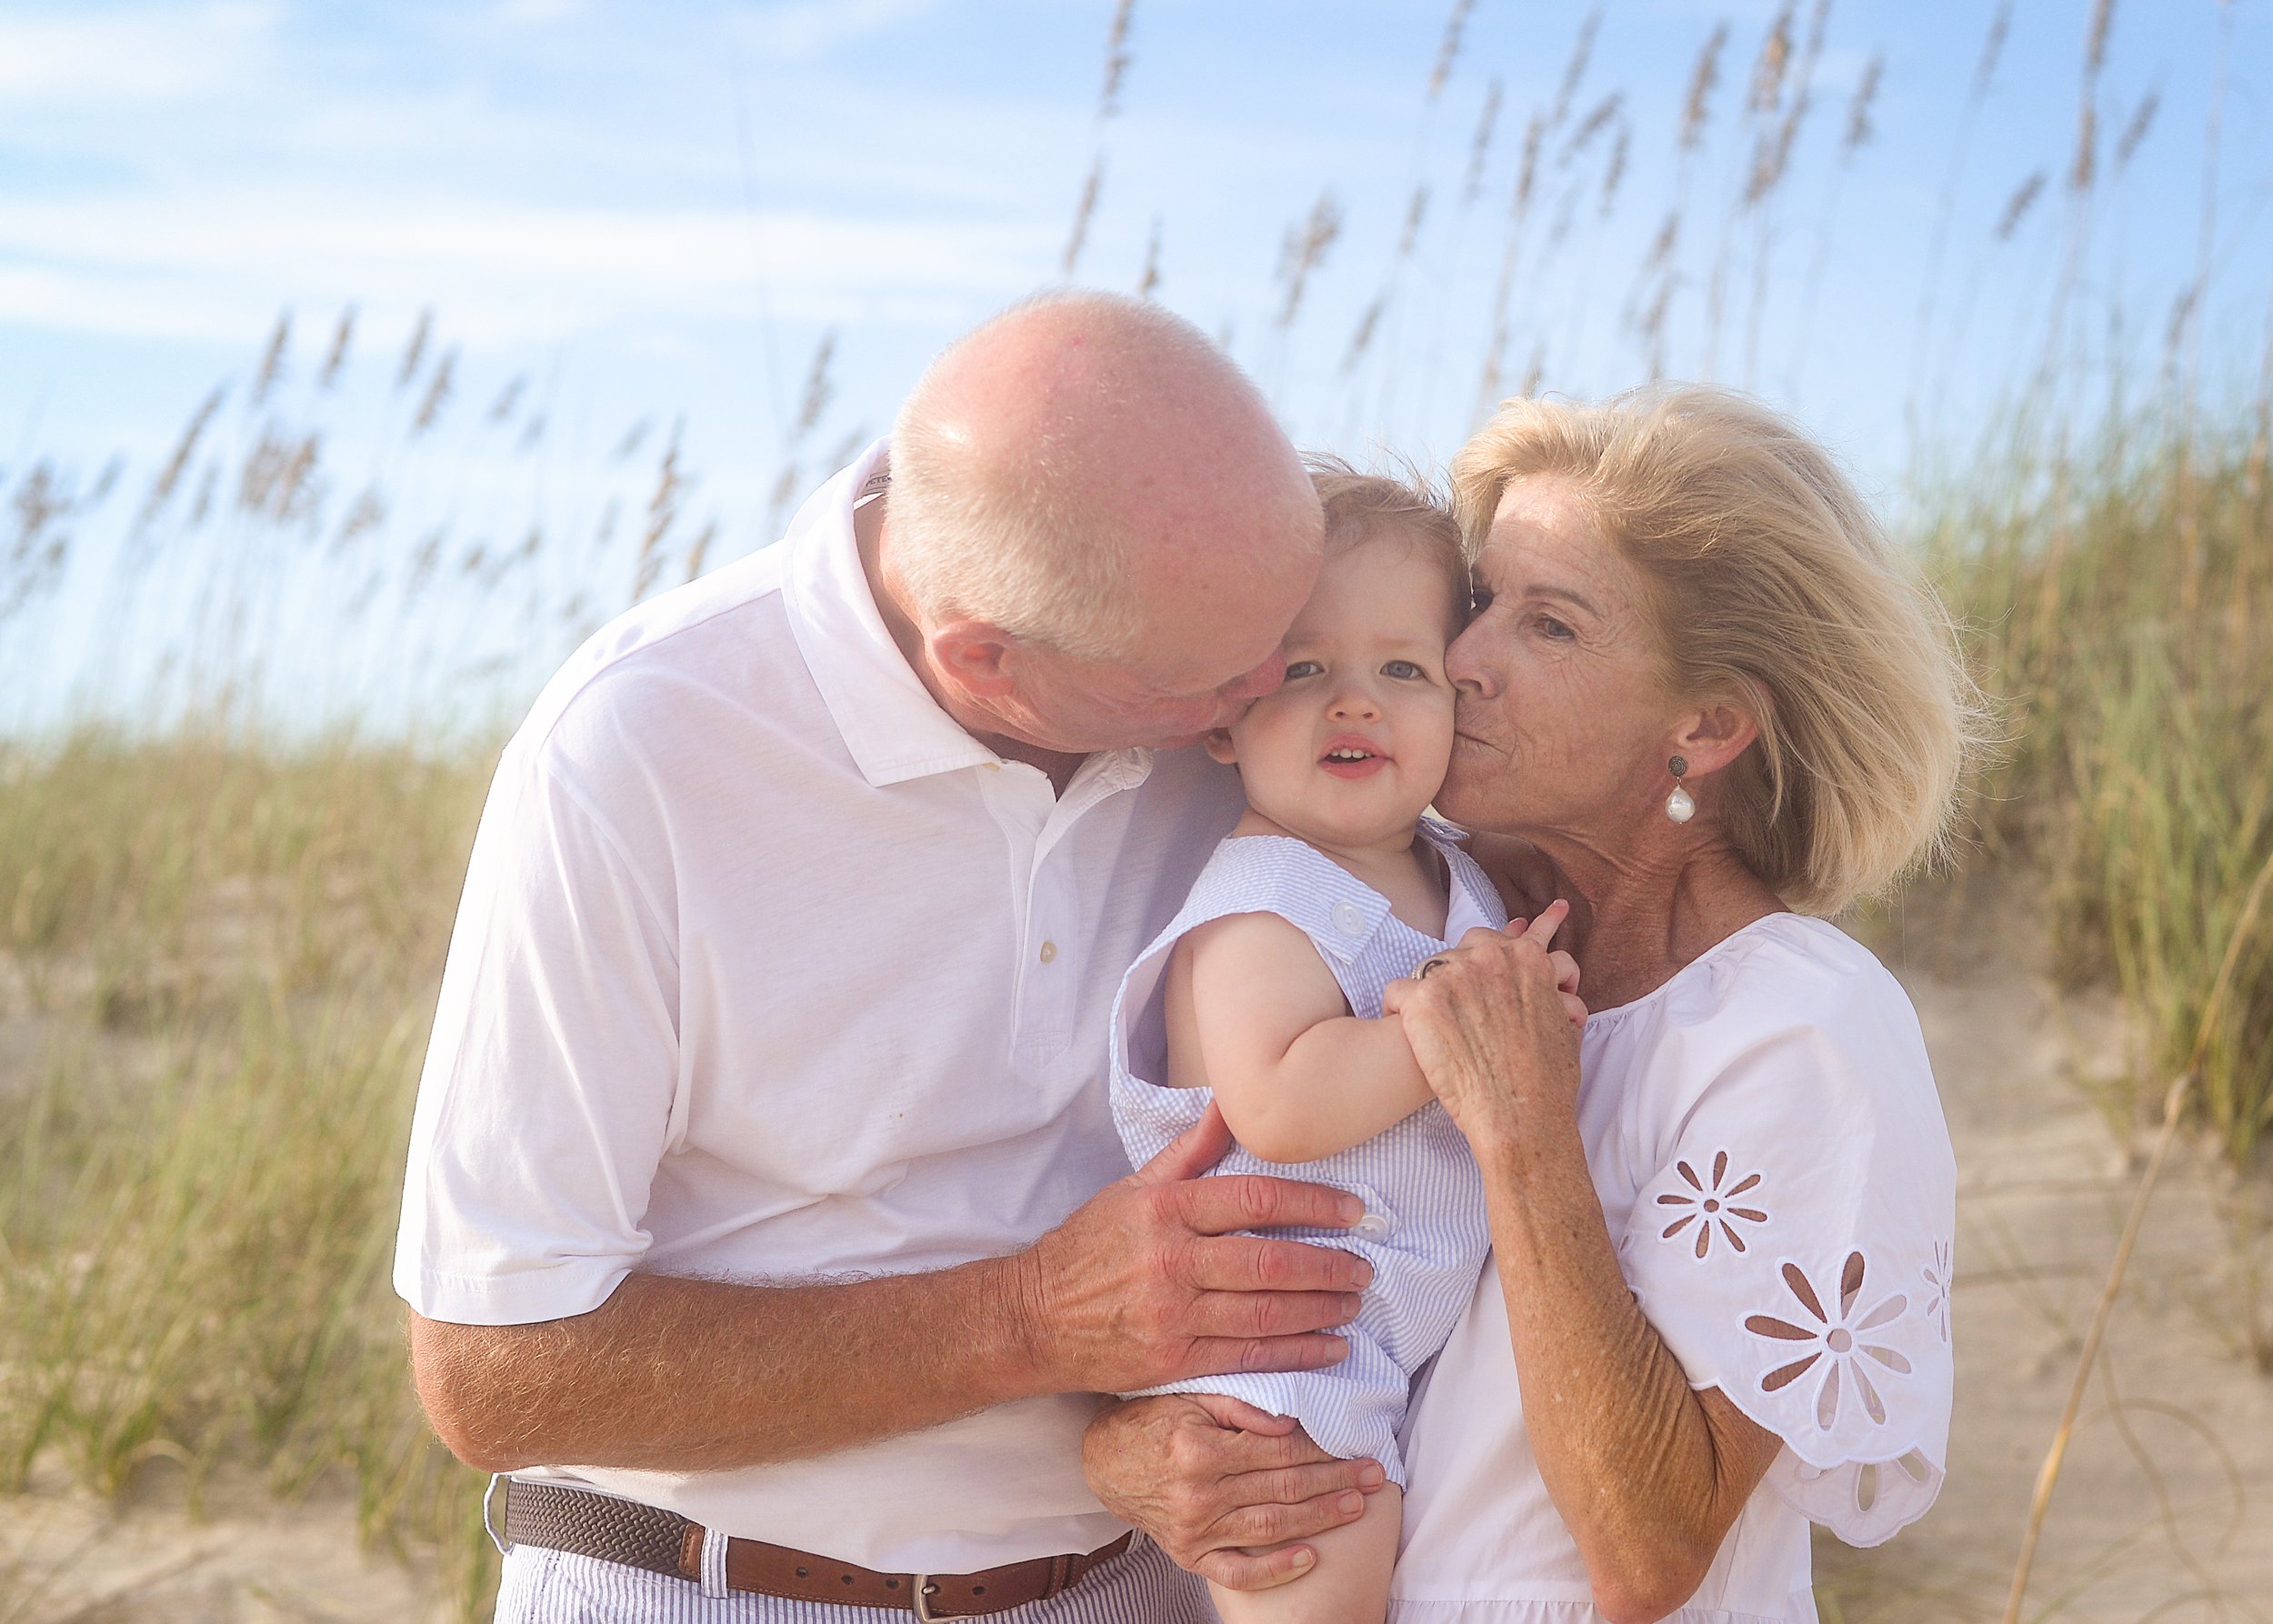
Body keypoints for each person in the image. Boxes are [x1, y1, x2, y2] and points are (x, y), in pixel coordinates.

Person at [392, 291, 1381, 1622]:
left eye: (1294, 638)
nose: (1279, 695)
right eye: (1222, 674)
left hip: (1143, 1586)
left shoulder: (1235, 699)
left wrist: (1130, 1431)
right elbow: (493, 1373)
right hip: (708, 1591)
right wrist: (1030, 1319)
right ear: (988, 657)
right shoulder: (634, 752)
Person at [1085, 385, 1980, 1624]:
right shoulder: (1401, 895)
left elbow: (1647, 1551)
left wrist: (1524, 1130)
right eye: (1479, 604)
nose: (1463, 662)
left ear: (1706, 726)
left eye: (1547, 626)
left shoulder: (1801, 1030)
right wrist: (1129, 1453)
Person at [1107, 467, 1581, 1624]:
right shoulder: (1258, 901)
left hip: (1412, 1326)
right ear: (1223, 712)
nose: (1355, 703)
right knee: (1315, 1587)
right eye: (1304, 669)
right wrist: (1461, 1025)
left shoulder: (1458, 875)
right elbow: (1278, 1099)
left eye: (1402, 669)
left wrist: (1536, 995)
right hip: (1285, 1361)